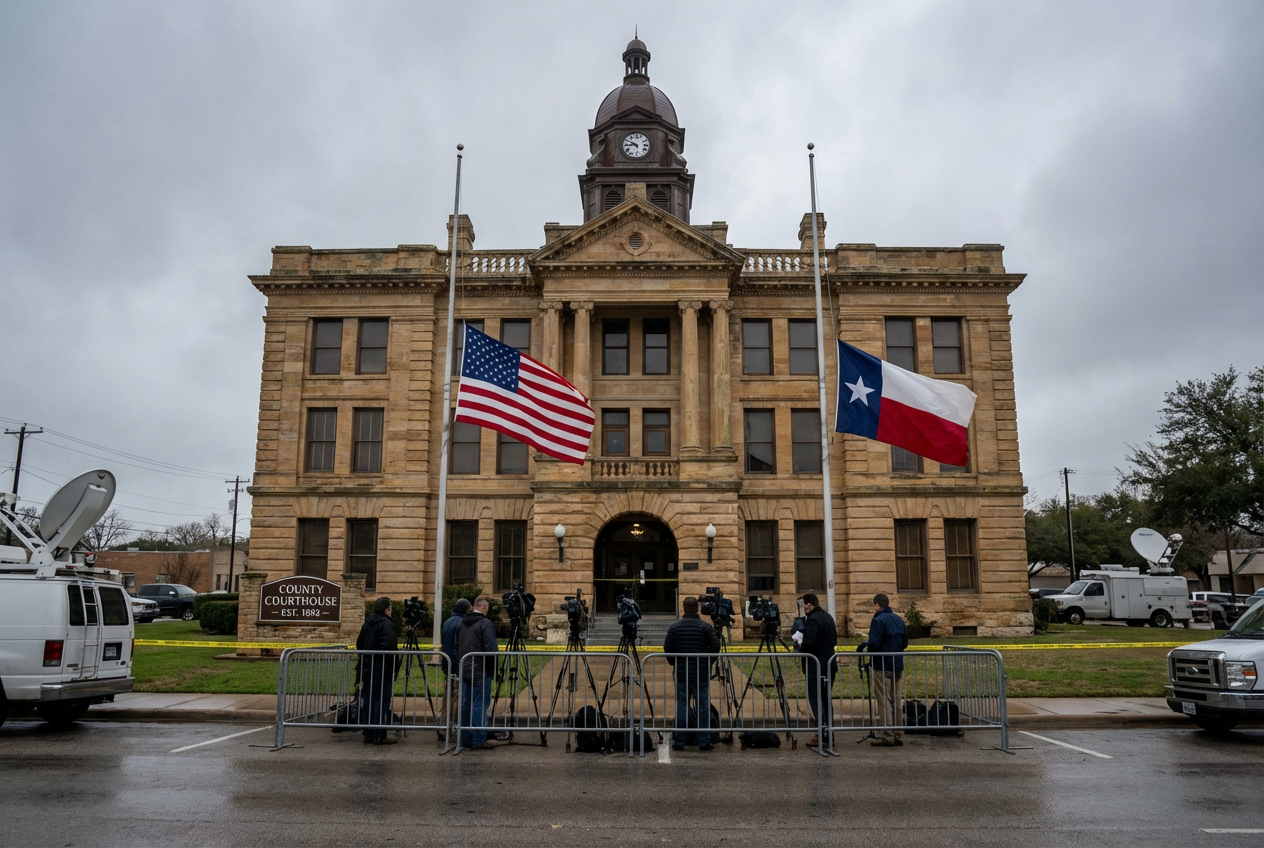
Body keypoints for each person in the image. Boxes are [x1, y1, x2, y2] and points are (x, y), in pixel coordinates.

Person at [662, 596, 721, 751]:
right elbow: (715, 646)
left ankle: (680, 741)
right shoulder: (705, 627)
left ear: (683, 608)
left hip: (682, 673)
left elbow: (668, 648)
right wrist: (709, 662)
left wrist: (674, 662)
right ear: (697, 609)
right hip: (701, 673)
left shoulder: (675, 627)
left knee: (682, 707)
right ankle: (704, 741)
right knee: (703, 707)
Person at [857, 592, 908, 747]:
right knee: (896, 699)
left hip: (882, 665)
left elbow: (875, 643)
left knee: (883, 699)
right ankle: (898, 733)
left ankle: (887, 734)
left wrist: (866, 646)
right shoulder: (898, 619)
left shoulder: (878, 620)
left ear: (877, 605)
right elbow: (905, 643)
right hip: (898, 665)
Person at [454, 594, 499, 749]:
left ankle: (465, 737)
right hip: (481, 670)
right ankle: (479, 738)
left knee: (467, 703)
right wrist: (493, 669)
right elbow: (491, 649)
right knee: (479, 703)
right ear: (484, 608)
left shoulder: (462, 623)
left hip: (465, 668)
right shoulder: (485, 623)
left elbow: (456, 646)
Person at [356, 596, 400, 745]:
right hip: (381, 670)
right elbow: (388, 648)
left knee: (369, 701)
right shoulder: (386, 624)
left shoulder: (368, 623)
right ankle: (379, 734)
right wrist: (392, 668)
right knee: (381, 702)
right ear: (387, 609)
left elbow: (359, 643)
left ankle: (368, 733)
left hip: (368, 668)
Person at [797, 593, 837, 747]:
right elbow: (834, 639)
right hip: (829, 664)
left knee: (817, 700)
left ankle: (823, 734)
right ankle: (828, 732)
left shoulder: (813, 620)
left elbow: (810, 644)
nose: (804, 608)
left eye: (804, 605)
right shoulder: (827, 617)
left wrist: (801, 645)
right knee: (826, 700)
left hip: (816, 666)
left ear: (809, 605)